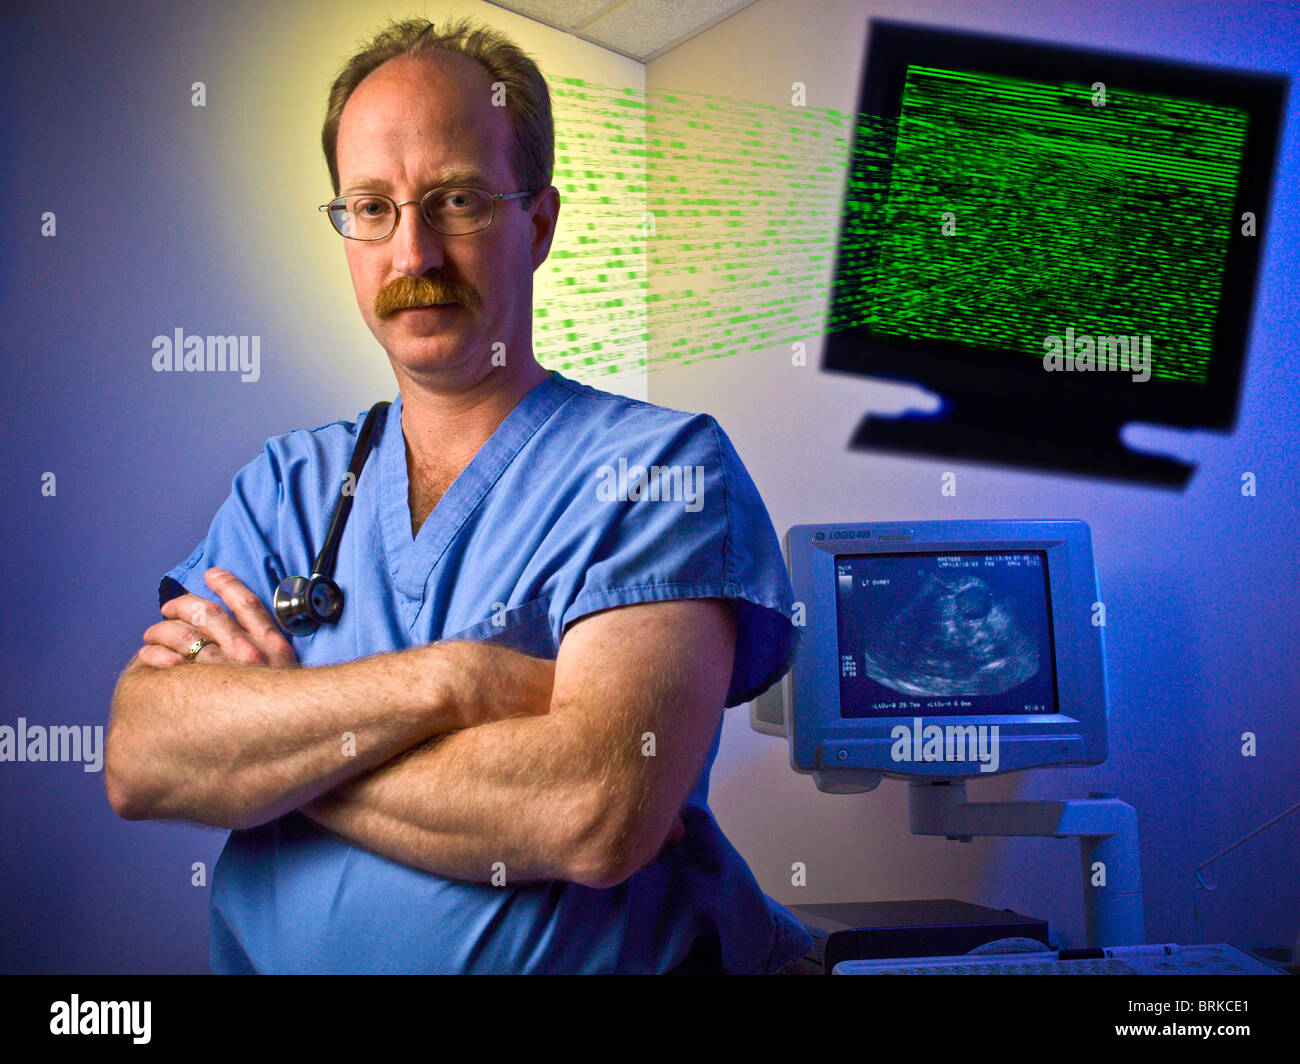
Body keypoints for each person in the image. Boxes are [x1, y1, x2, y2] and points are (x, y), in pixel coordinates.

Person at [105, 15, 811, 974]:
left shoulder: (660, 472)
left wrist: (269, 750)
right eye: (371, 207)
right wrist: (460, 682)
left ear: (542, 222)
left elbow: (596, 808)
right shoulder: (285, 486)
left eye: (459, 201)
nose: (413, 256)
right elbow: (145, 756)